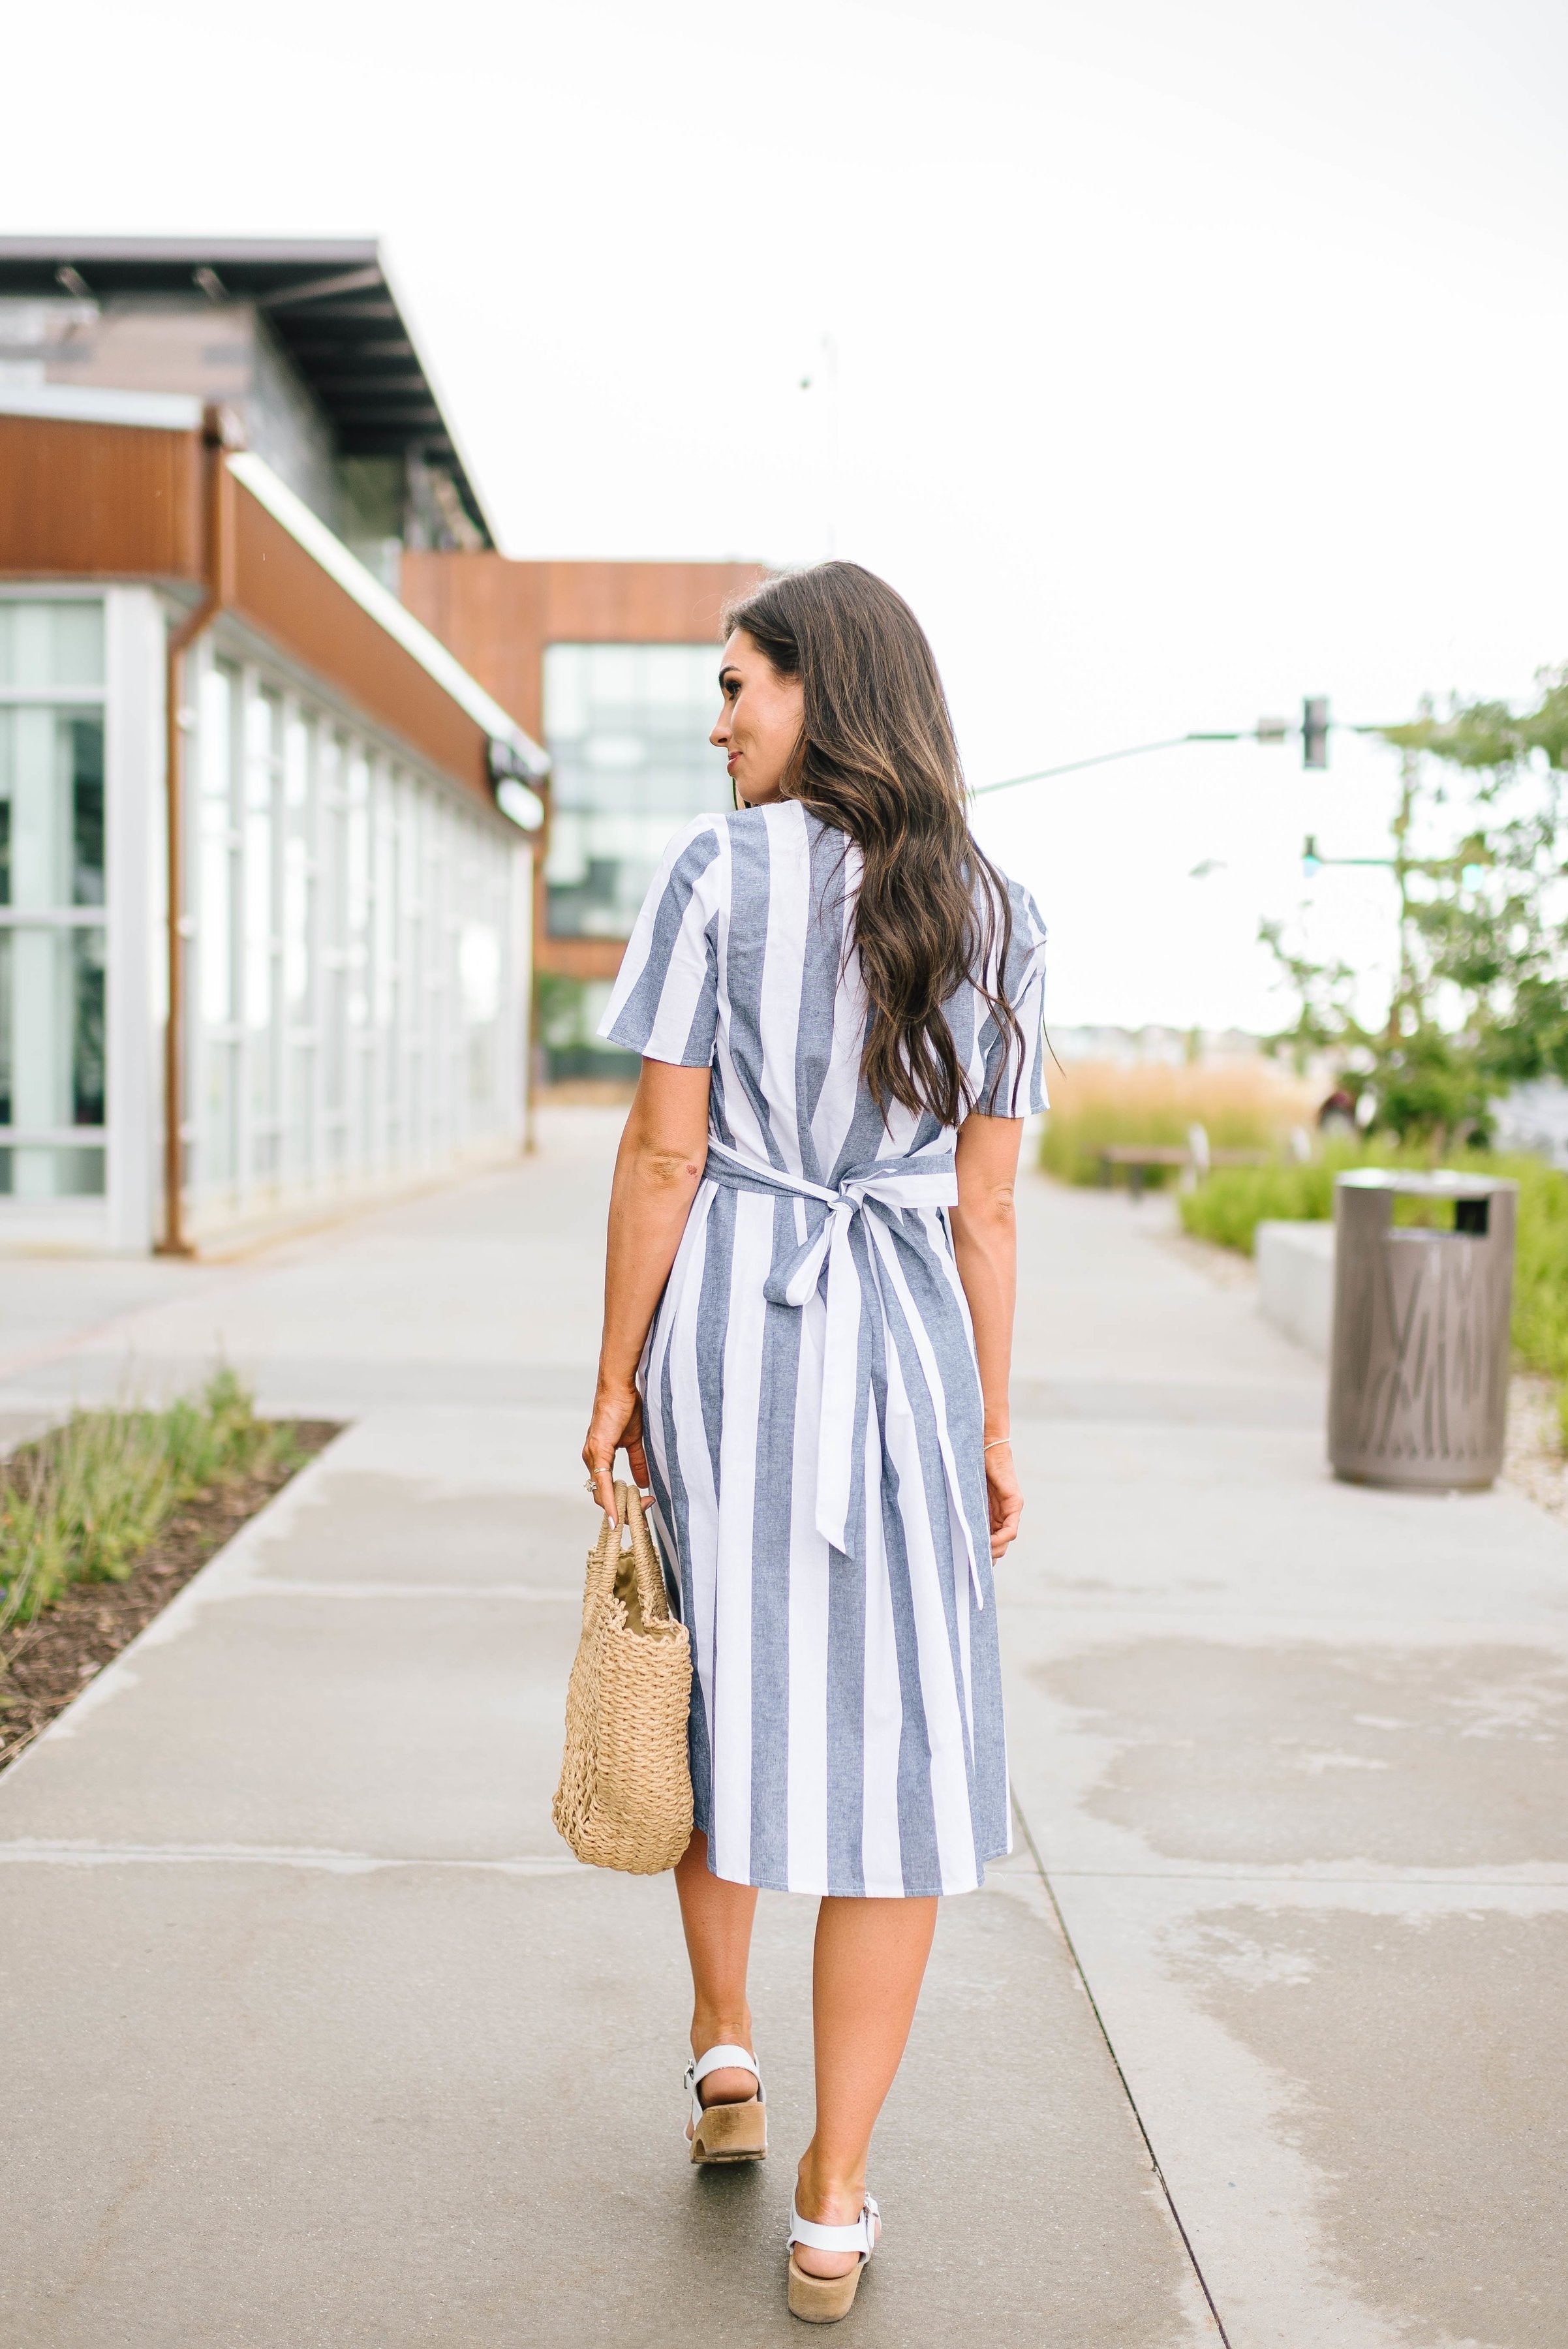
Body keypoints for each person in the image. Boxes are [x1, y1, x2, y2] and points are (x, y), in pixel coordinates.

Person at [581, 562, 1047, 2324]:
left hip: (732, 1334)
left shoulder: (720, 874)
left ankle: (723, 2043)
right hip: (904, 1351)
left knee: (722, 1688)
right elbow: (986, 1216)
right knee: (896, 1756)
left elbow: (660, 1159)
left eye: (738, 690)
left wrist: (613, 1378)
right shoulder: (995, 908)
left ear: (820, 692)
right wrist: (992, 1423)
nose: (719, 725)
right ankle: (836, 2202)